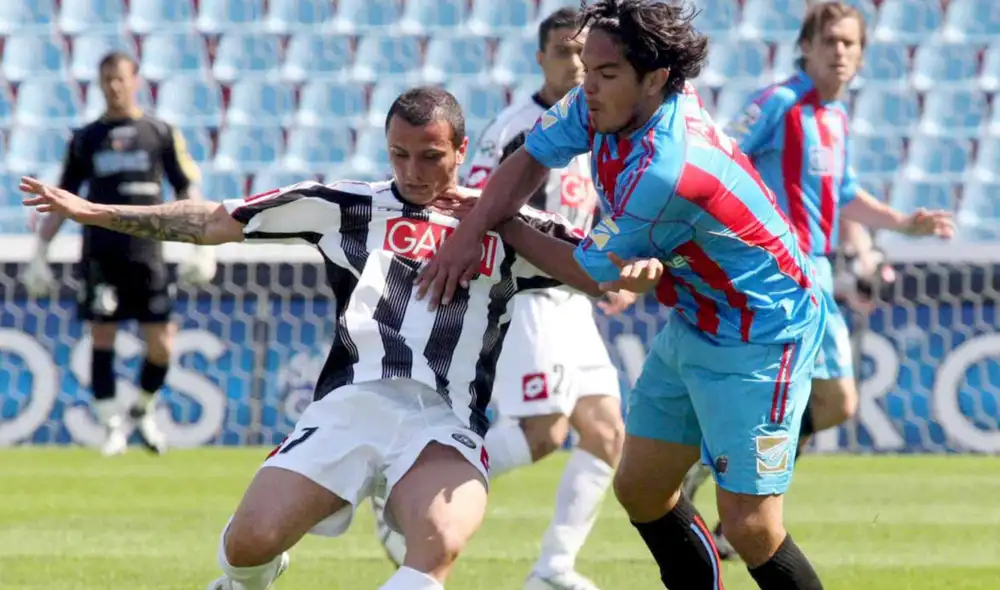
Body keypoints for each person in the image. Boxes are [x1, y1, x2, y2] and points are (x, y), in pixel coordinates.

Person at [19, 86, 654, 590]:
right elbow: (216, 220)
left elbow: (608, 268)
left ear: (461, 149)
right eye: (399, 154)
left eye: (430, 155)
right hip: (352, 404)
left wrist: (642, 265)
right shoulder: (345, 205)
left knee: (439, 545)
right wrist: (96, 213)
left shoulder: (510, 227)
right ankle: (248, 581)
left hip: (445, 420)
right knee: (247, 545)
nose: (413, 170)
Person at [414, 0, 839, 587]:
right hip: (695, 320)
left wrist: (497, 226)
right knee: (640, 488)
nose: (587, 86)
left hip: (762, 335)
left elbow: (593, 275)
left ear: (656, 78)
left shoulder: (668, 166)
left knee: (749, 525)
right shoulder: (608, 102)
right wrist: (472, 228)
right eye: (586, 69)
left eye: (605, 74)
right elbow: (529, 157)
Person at [681, 0, 955, 557]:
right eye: (829, 41)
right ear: (805, 47)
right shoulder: (781, 103)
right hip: (778, 271)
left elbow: (845, 192)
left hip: (819, 271)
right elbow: (720, 157)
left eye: (850, 43)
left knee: (830, 404)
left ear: (861, 55)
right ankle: (727, 495)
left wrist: (902, 223)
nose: (839, 52)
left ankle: (716, 474)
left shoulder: (836, 117)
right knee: (827, 400)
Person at [373, 8, 628, 590]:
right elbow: (478, 206)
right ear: (541, 59)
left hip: (573, 295)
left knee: (608, 434)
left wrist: (605, 270)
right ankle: (406, 498)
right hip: (531, 293)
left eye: (584, 54)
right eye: (564, 53)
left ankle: (553, 568)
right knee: (543, 430)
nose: (576, 65)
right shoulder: (522, 129)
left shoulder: (599, 123)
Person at [19, 51, 215, 456]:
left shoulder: (159, 133)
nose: (113, 86)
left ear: (135, 80)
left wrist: (202, 245)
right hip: (101, 254)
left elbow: (185, 188)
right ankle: (110, 425)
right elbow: (61, 197)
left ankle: (142, 409)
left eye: (120, 78)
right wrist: (40, 249)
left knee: (161, 343)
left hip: (148, 254)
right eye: (106, 79)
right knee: (102, 335)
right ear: (99, 83)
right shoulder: (86, 138)